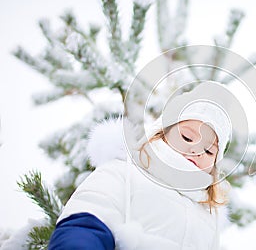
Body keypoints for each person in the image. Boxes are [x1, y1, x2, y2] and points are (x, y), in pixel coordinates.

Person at [48, 82, 233, 250]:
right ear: (161, 133)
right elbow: (87, 224)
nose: (196, 151)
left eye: (209, 151)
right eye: (187, 137)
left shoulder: (208, 215)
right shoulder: (123, 172)